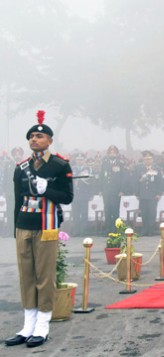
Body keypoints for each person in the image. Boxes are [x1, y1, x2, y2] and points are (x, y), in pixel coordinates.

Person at [6, 111, 73, 348]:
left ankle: (43, 325)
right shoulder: (21, 167)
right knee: (27, 276)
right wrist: (15, 229)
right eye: (31, 136)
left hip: (47, 226)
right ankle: (28, 325)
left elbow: (67, 197)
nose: (34, 139)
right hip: (24, 224)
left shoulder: (59, 165)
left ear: (50, 141)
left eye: (39, 136)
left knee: (44, 276)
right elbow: (16, 199)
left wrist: (48, 191)